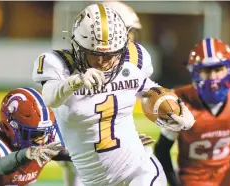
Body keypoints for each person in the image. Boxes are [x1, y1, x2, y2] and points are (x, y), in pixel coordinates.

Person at [32, 3, 195, 186]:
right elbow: (49, 97)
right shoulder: (60, 64)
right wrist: (75, 81)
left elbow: (152, 91)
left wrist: (181, 114)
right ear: (78, 47)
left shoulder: (130, 62)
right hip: (93, 178)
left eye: (111, 55)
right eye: (94, 54)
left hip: (138, 170)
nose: (103, 62)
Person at [155, 38, 230, 186]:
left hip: (228, 179)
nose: (213, 78)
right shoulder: (179, 103)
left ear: (229, 70)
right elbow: (161, 150)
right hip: (192, 179)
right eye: (205, 70)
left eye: (218, 70)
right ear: (194, 72)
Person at [0, 88, 71, 186]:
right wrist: (25, 154)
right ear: (12, 127)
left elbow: (65, 153)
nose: (42, 140)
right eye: (35, 134)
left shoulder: (48, 137)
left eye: (46, 132)